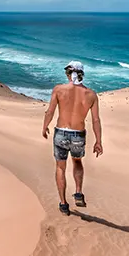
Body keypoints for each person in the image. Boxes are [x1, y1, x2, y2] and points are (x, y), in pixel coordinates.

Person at [42, 61, 103, 216]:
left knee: (60, 167)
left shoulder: (59, 90)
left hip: (61, 133)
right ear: (82, 74)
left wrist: (45, 126)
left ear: (68, 74)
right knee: (77, 162)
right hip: (78, 134)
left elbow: (50, 111)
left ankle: (63, 204)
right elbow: (96, 120)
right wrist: (98, 141)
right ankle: (78, 192)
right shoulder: (91, 95)